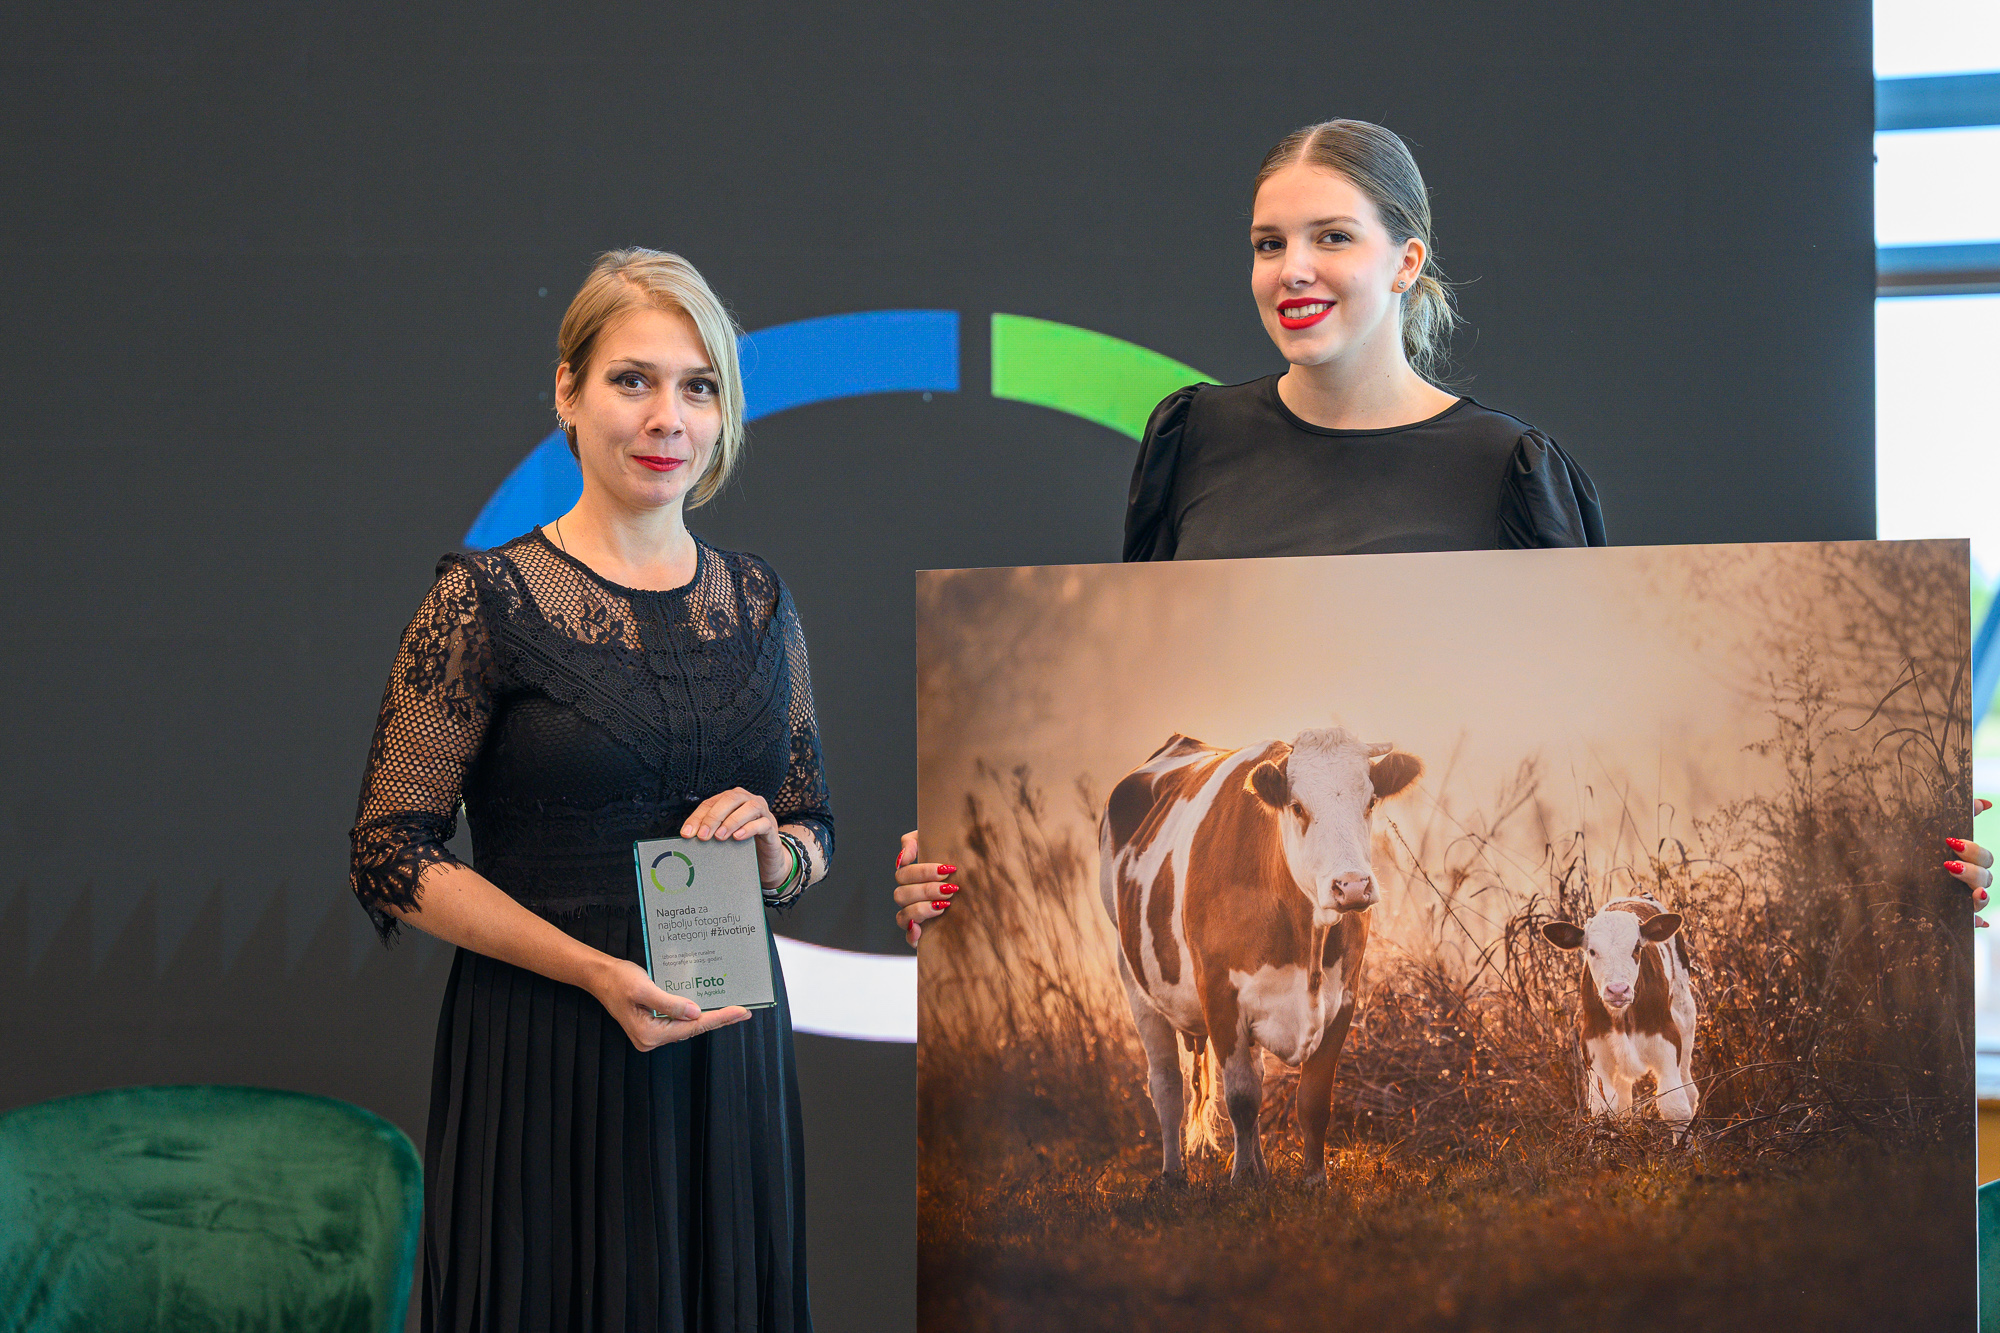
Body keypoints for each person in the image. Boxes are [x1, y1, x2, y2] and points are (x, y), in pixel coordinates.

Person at [891, 118, 1990, 940]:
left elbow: (1581, 720)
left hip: (1430, 899)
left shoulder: (1509, 470)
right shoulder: (1192, 439)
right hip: (1234, 896)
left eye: (1331, 237)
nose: (1292, 269)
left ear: (1406, 261)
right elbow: (1150, 709)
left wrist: (1913, 867)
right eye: (1269, 243)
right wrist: (951, 871)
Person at [350, 248, 830, 1332]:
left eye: (697, 387)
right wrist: (591, 971)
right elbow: (390, 851)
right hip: (546, 1053)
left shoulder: (759, 601)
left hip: (728, 1059)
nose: (667, 418)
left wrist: (777, 853)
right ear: (567, 392)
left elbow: (813, 824)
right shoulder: (483, 600)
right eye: (632, 380)